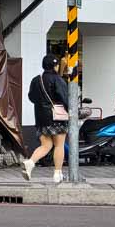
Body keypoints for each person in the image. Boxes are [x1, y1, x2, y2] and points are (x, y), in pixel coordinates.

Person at [23, 54, 71, 183]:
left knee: (45, 145)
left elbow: (32, 98)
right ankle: (57, 174)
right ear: (55, 65)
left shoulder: (36, 80)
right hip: (57, 118)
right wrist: (71, 110)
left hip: (41, 118)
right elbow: (64, 98)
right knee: (59, 145)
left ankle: (30, 162)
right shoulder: (58, 79)